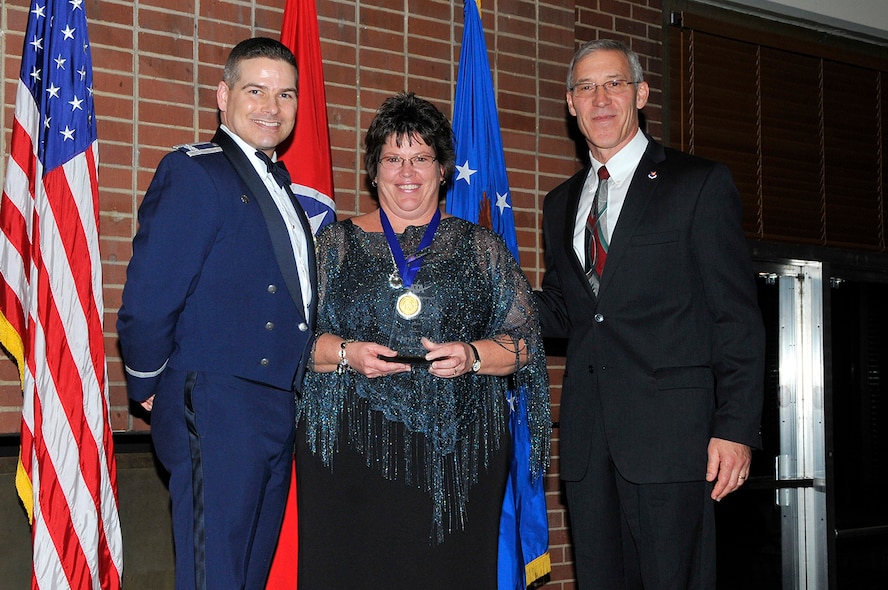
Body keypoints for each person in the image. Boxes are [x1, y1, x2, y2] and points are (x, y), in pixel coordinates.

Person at [295, 92, 550, 589]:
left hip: (459, 454)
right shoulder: (332, 245)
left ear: (443, 170)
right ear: (374, 170)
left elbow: (526, 342)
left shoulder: (481, 249)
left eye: (421, 158)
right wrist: (347, 354)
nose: (406, 171)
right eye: (393, 158)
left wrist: (474, 356)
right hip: (349, 448)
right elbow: (290, 339)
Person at [535, 39, 765, 588]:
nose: (601, 98)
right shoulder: (560, 202)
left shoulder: (697, 183)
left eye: (614, 83)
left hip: (675, 443)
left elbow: (736, 317)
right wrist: (477, 295)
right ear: (571, 104)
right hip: (590, 445)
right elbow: (569, 312)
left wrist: (734, 428)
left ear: (640, 93)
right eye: (585, 87)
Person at [117, 37, 316, 590]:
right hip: (217, 398)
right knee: (216, 577)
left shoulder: (286, 191)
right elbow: (149, 295)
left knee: (246, 577)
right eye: (256, 90)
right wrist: (149, 378)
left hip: (276, 404)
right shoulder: (196, 172)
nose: (272, 107)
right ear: (223, 96)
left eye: (285, 94)